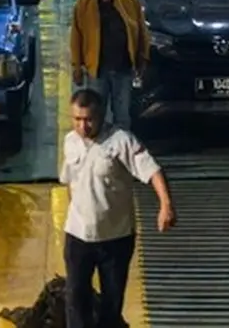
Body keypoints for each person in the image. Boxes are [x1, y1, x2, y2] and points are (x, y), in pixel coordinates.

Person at [61, 88, 175, 328]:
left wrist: (166, 206)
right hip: (78, 236)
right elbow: (71, 181)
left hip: (115, 238)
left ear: (101, 116)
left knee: (111, 305)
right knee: (75, 300)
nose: (83, 126)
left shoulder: (121, 141)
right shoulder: (70, 141)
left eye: (89, 119)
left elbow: (153, 171)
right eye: (77, 119)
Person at [70, 0, 149, 128]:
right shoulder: (83, 4)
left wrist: (142, 58)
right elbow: (76, 38)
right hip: (97, 71)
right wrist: (77, 67)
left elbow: (142, 31)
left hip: (123, 69)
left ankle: (122, 143)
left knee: (122, 116)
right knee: (95, 114)